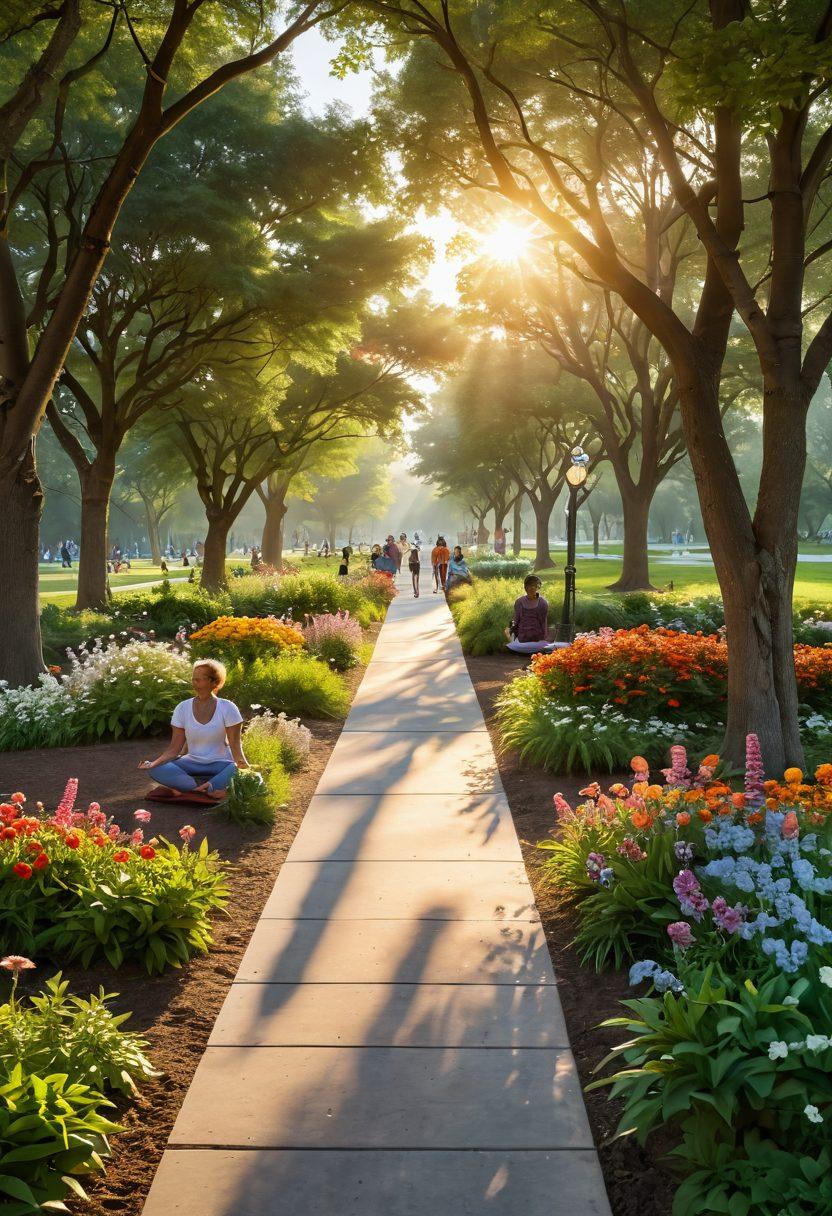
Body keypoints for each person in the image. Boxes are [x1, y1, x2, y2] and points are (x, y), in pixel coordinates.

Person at [139, 660, 247, 800]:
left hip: (221, 764)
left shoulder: (228, 707)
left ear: (214, 682)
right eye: (193, 679)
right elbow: (174, 749)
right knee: (156, 769)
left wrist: (245, 769)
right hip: (191, 763)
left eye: (199, 679)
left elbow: (236, 748)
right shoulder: (182, 708)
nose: (194, 683)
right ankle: (204, 789)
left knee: (236, 769)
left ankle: (197, 790)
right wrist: (153, 763)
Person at [506, 575, 556, 654]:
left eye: (534, 586)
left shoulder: (543, 603)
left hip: (537, 638)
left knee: (546, 647)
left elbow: (543, 622)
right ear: (525, 587)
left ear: (538, 587)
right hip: (523, 637)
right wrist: (510, 630)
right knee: (513, 645)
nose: (532, 588)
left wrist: (544, 637)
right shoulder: (519, 602)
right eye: (529, 586)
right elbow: (516, 620)